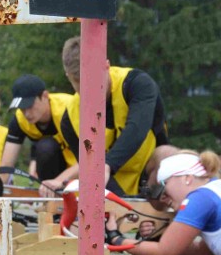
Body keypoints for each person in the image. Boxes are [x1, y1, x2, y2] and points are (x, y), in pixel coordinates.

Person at [59, 36, 170, 196]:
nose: (91, 93)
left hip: (149, 174)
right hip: (110, 186)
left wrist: (107, 165)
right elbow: (89, 168)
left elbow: (137, 129)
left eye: (95, 83)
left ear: (106, 65)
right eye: (82, 87)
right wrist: (124, 206)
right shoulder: (69, 119)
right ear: (68, 77)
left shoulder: (138, 84)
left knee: (168, 153)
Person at [0, 74, 77, 196]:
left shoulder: (71, 108)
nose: (27, 113)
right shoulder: (19, 120)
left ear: (45, 96)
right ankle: (52, 200)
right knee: (45, 148)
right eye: (22, 108)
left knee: (46, 147)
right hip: (58, 172)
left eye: (29, 106)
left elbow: (94, 157)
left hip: (89, 168)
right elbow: (6, 165)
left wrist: (59, 180)